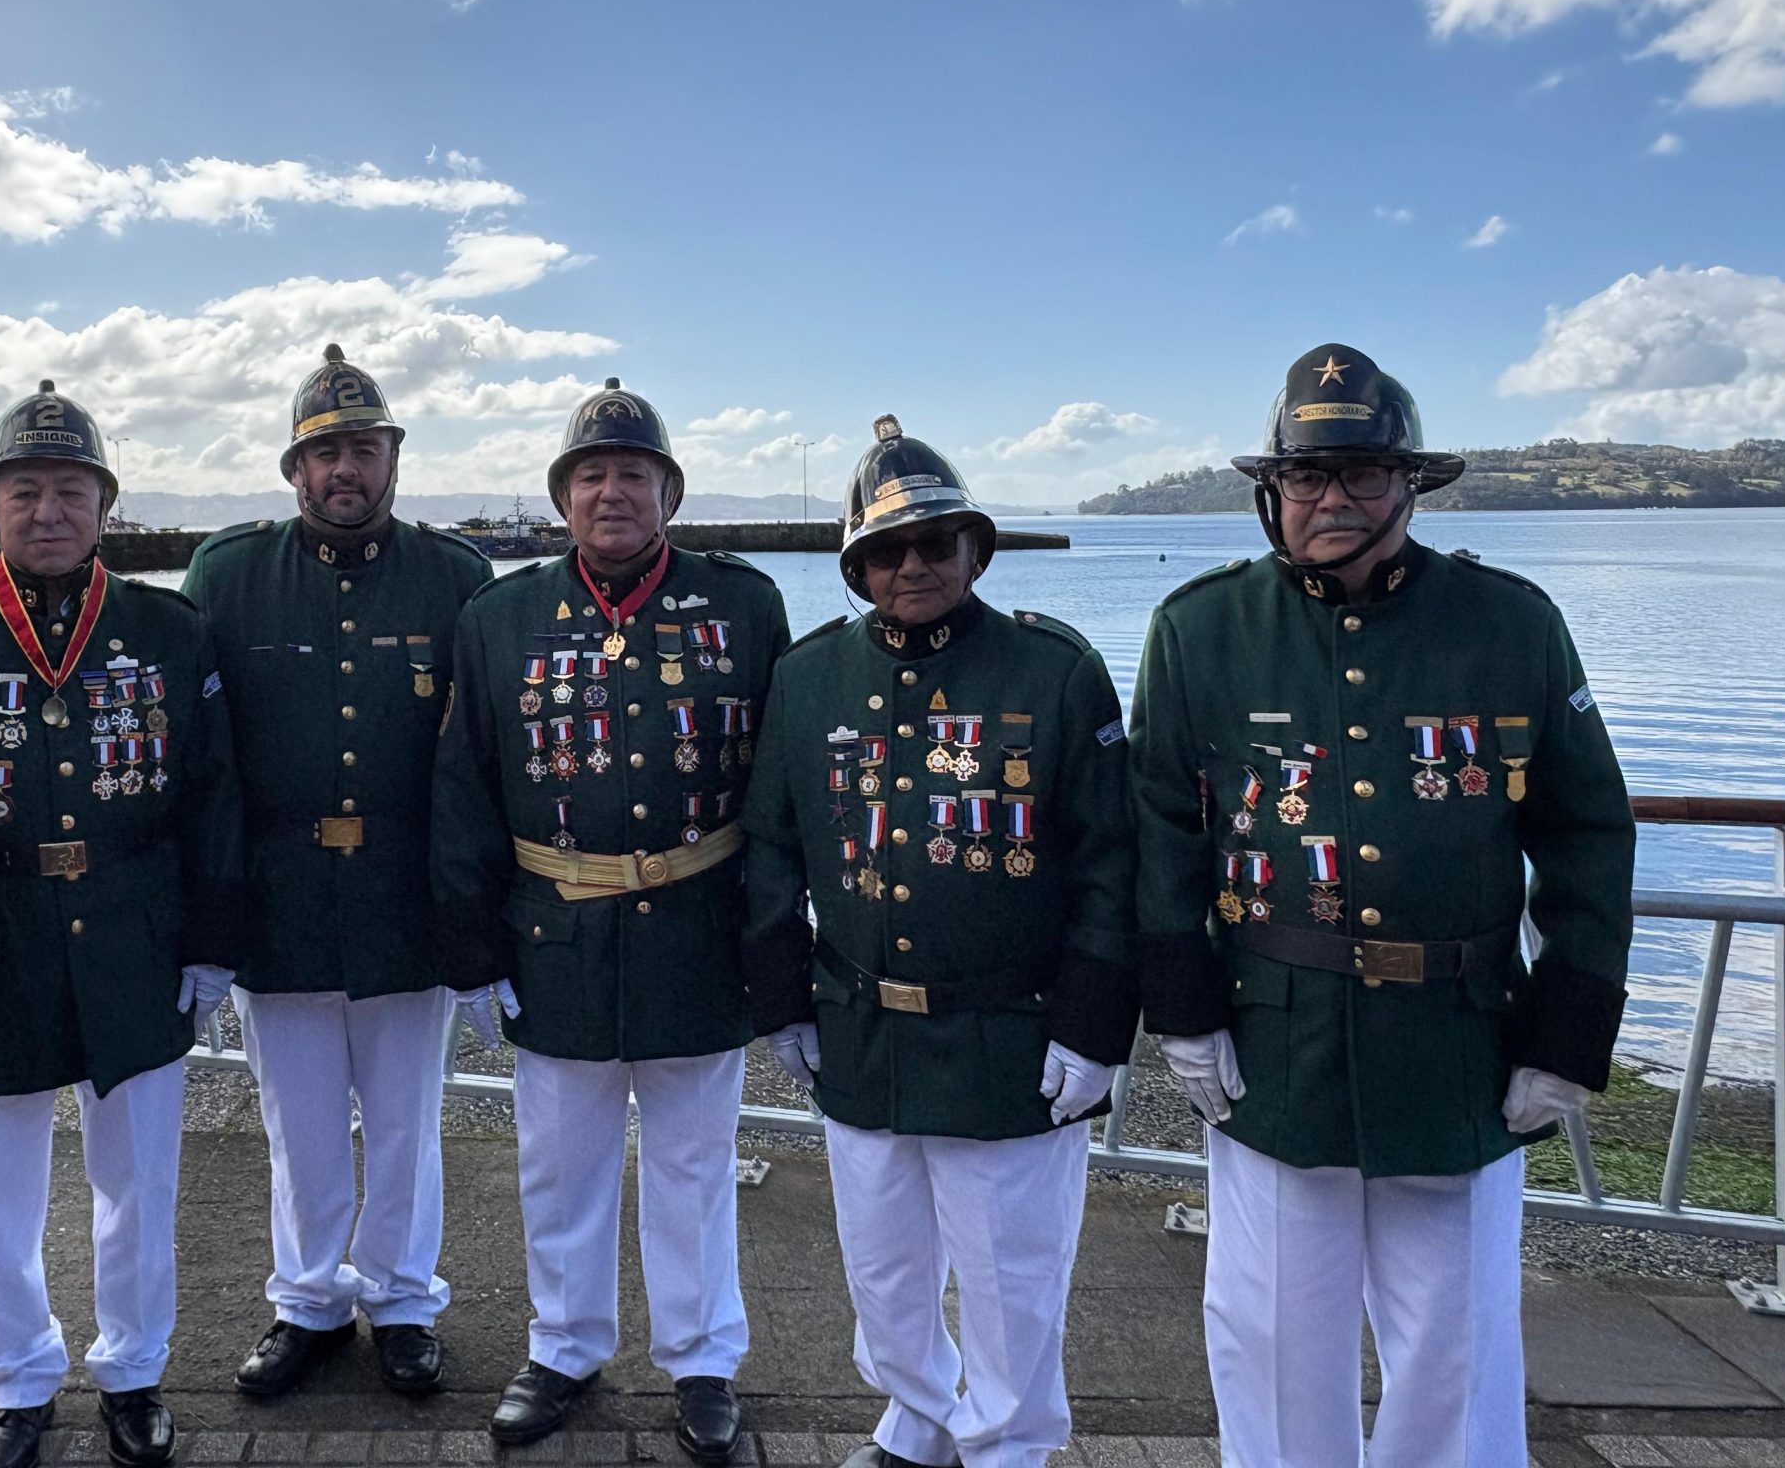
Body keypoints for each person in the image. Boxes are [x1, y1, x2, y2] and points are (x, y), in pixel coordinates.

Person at [1132, 343, 1636, 1468]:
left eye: (1361, 474)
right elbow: (1161, 832)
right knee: (1267, 1337)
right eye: (1309, 477)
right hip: (1277, 1039)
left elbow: (1586, 833)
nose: (1333, 499)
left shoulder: (1509, 622)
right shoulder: (1198, 629)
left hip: (1454, 1045)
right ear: (1271, 493)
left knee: (1453, 1350)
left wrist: (1565, 1029)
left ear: (1410, 483)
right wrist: (1184, 1011)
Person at [741, 417, 1136, 1468]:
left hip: (1010, 1029)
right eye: (884, 550)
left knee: (1011, 1274)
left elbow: (1109, 863)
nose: (909, 565)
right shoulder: (809, 675)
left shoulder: (1053, 670)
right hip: (862, 1026)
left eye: (933, 543)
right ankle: (915, 1420)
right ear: (855, 566)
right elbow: (772, 850)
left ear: (975, 549)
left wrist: (1096, 1028)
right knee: (883, 1266)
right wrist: (782, 999)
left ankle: (1008, 1446)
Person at [431, 377, 789, 1462]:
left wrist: (772, 939)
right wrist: (474, 948)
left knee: (693, 1164)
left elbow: (777, 790)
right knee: (559, 1162)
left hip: (696, 927)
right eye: (590, 475)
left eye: (633, 474)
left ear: (669, 492)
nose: (611, 492)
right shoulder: (500, 615)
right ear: (561, 499)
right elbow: (465, 785)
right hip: (558, 934)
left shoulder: (743, 603)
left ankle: (702, 1361)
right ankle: (564, 1348)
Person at [0, 382, 245, 1468]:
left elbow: (212, 796)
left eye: (71, 491)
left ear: (105, 508)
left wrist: (211, 942)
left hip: (132, 928)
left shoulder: (168, 628)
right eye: (25, 491)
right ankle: (14, 1382)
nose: (48, 510)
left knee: (139, 1180)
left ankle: (134, 1372)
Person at [181, 347, 493, 1400]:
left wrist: (477, 915)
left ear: (393, 459)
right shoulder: (227, 574)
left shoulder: (454, 576)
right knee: (298, 1121)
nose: (344, 470)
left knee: (406, 1119)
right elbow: (203, 753)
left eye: (363, 448)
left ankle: (403, 1299)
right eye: (325, 454)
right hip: (281, 898)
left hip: (407, 896)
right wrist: (210, 921)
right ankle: (308, 1300)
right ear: (293, 471)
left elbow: (478, 757)